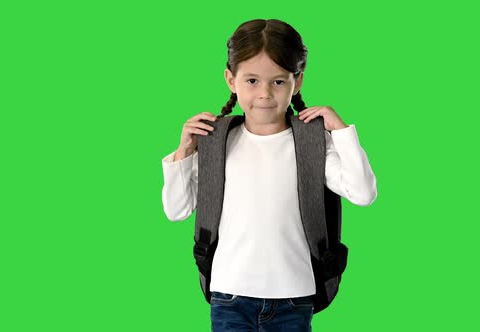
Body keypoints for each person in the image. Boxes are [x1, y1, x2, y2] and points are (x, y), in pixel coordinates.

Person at [161, 18, 377, 332]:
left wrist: (341, 132)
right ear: (230, 79)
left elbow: (363, 193)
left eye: (278, 81)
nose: (264, 93)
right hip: (229, 295)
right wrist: (183, 151)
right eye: (251, 80)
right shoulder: (215, 141)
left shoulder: (312, 142)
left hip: (294, 296)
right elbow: (176, 210)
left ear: (297, 81)